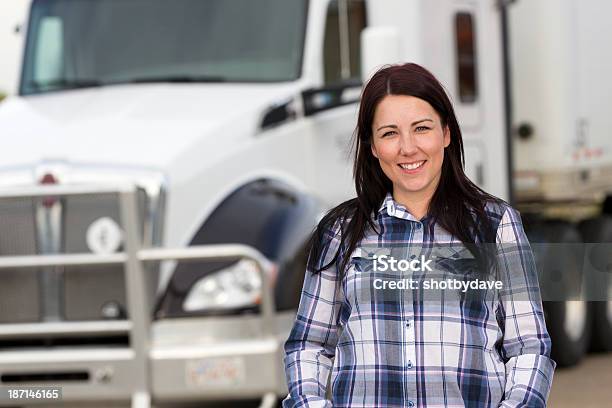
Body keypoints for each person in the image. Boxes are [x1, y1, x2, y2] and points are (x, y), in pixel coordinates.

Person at [282, 63, 555, 407]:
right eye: (390, 133)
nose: (408, 148)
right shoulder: (339, 232)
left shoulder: (496, 225)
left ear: (446, 133)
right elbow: (310, 344)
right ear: (372, 146)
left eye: (421, 128)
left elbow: (529, 346)